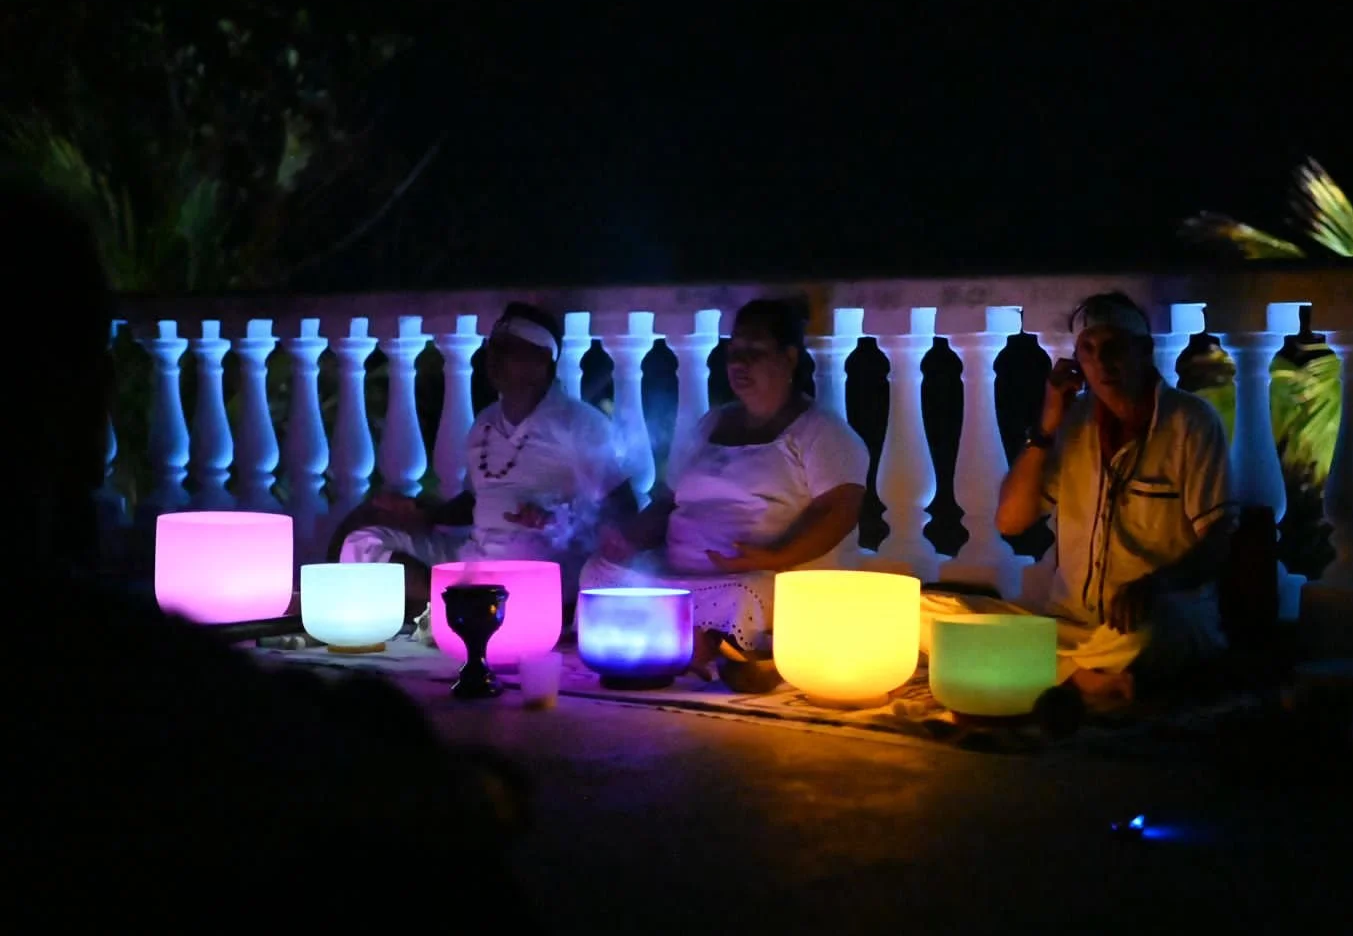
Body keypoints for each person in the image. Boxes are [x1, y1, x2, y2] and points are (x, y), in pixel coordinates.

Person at [8, 172, 546, 936]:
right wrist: (423, 516)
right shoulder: (139, 678)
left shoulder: (133, 671)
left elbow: (605, 502)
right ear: (79, 401)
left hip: (533, 555)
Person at [924, 291, 1237, 703]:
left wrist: (1154, 586)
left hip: (1146, 623)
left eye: (1113, 347)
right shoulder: (1073, 422)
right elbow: (1011, 522)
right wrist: (1045, 428)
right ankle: (1084, 678)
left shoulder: (1189, 422)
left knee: (1147, 637)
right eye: (1088, 350)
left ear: (1144, 350)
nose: (1101, 362)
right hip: (1068, 624)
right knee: (926, 611)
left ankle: (1056, 671)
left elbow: (1218, 540)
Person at [581, 298, 870, 684]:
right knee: (600, 571)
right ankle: (691, 643)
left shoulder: (820, 431)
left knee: (741, 595)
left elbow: (840, 511)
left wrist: (775, 556)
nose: (739, 364)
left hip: (757, 576)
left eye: (754, 352)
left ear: (788, 358)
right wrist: (628, 538)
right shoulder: (710, 424)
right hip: (677, 577)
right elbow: (667, 501)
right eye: (734, 352)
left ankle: (690, 644)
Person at [336, 303, 635, 614]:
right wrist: (424, 514)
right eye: (493, 348)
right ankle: (458, 600)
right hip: (474, 557)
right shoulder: (485, 422)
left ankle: (466, 604)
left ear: (541, 360)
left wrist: (556, 520)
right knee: (362, 543)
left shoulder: (580, 424)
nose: (494, 359)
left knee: (524, 567)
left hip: (534, 569)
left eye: (508, 350)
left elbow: (623, 508)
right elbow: (475, 501)